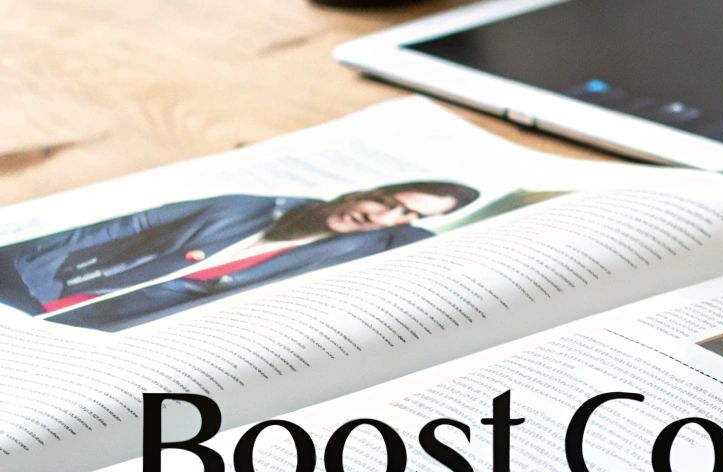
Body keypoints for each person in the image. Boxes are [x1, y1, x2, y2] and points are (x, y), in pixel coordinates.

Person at [0, 181, 478, 332]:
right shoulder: (246, 206)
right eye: (387, 202)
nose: (382, 216)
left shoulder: (368, 248)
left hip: (126, 325)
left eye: (402, 216)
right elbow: (130, 225)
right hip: (62, 288)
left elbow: (426, 255)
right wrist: (32, 269)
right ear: (362, 191)